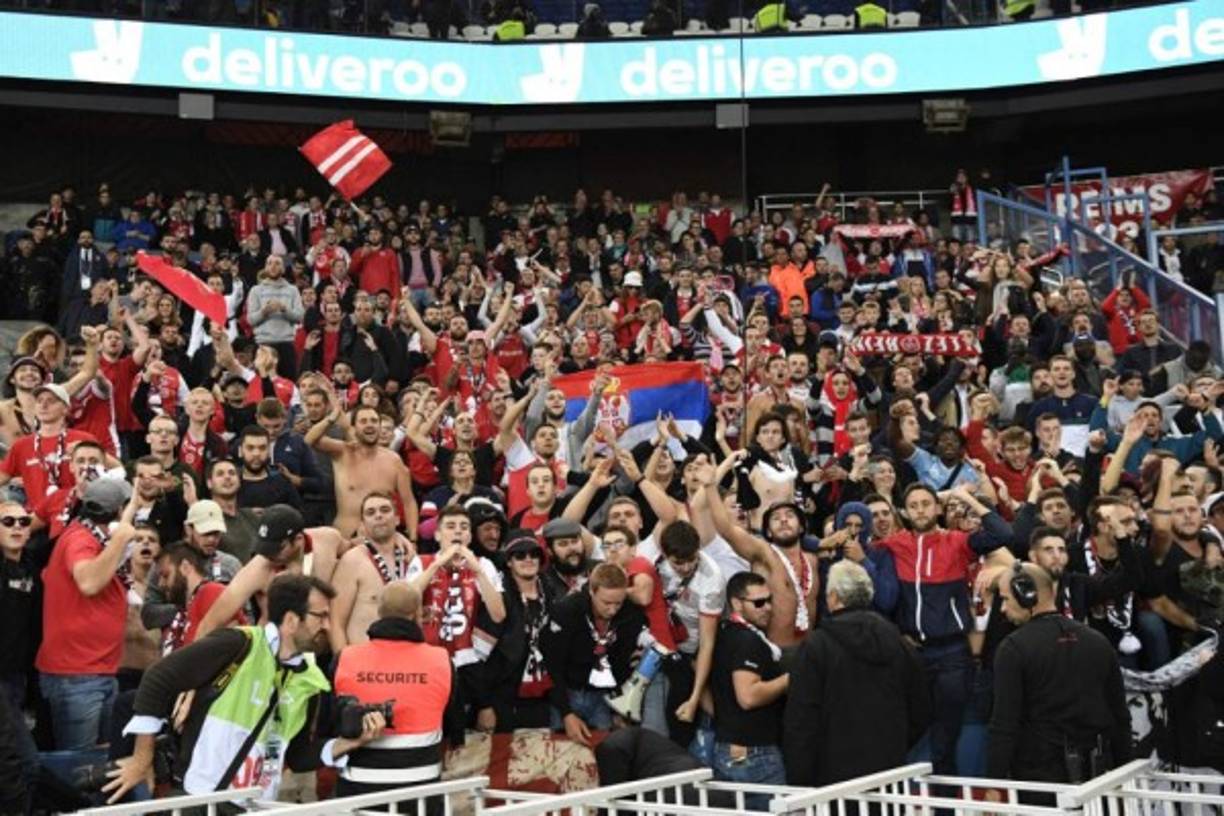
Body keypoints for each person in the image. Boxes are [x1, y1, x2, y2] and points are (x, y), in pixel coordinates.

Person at [105, 574, 385, 803]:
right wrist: (142, 758)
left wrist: (350, 743)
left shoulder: (310, 679)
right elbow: (158, 678)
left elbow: (298, 756)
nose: (328, 626)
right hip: (200, 801)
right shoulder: (238, 644)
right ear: (291, 621)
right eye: (320, 616)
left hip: (257, 805)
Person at [987, 562, 1131, 794]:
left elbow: (1004, 725)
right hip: (1099, 783)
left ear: (1027, 595)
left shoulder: (1012, 649)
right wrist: (1125, 776)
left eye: (1005, 599)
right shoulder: (1099, 641)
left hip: (1040, 784)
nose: (1002, 608)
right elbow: (1120, 717)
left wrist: (993, 787)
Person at [783, 561, 929, 786]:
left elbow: (801, 720)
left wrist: (800, 784)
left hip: (833, 782)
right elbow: (921, 709)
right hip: (889, 775)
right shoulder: (900, 644)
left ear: (833, 597)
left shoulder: (816, 647)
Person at [332, 582, 462, 800]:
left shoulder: (345, 658)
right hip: (421, 792)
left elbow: (329, 722)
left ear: (379, 612)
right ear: (417, 614)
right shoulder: (441, 660)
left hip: (357, 791)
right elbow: (453, 725)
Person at [36, 477, 137, 753]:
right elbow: (89, 582)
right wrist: (121, 538)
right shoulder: (80, 538)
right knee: (79, 766)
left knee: (100, 760)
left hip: (97, 670)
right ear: (118, 511)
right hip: (77, 675)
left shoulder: (94, 538)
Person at [543, 563, 647, 746]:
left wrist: (619, 708)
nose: (612, 610)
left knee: (603, 753)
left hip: (603, 697)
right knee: (561, 752)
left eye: (618, 603)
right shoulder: (567, 611)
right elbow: (552, 666)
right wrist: (566, 712)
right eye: (606, 603)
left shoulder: (631, 615)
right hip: (567, 692)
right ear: (592, 591)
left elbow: (623, 664)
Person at [708, 572, 788, 808]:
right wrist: (788, 680)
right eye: (759, 603)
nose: (768, 608)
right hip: (755, 753)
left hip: (728, 748)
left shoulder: (721, 632)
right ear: (736, 603)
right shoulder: (747, 641)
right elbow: (748, 696)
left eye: (769, 600)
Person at [306, 399, 419, 539]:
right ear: (354, 428)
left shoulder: (394, 460)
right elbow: (309, 440)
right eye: (363, 421)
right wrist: (331, 418)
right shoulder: (342, 452)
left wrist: (413, 540)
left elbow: (409, 502)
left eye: (374, 421)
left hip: (381, 540)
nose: (369, 425)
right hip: (345, 539)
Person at [330, 491, 421, 651]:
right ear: (362, 525)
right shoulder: (352, 561)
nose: (378, 515)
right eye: (370, 513)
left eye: (385, 510)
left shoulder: (411, 559)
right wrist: (342, 661)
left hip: (406, 659)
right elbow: (336, 622)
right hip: (365, 660)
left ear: (397, 519)